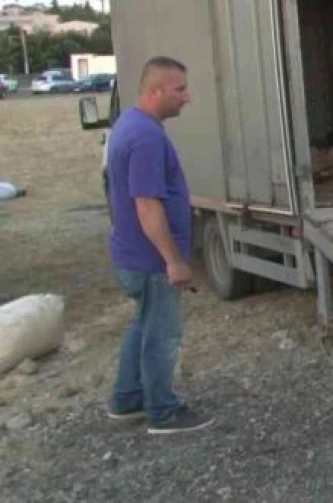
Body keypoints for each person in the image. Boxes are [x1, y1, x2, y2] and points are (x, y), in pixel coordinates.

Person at [105, 56, 214, 434]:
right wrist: (174, 260)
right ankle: (163, 412)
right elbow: (147, 204)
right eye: (179, 89)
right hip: (151, 260)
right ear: (154, 91)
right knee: (161, 334)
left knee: (142, 325)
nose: (187, 97)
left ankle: (127, 399)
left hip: (132, 254)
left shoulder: (129, 125)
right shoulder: (146, 137)